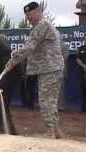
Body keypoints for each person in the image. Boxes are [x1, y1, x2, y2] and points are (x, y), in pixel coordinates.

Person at [6, 2, 65, 138]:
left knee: (46, 101)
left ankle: (50, 132)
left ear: (39, 11)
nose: (28, 18)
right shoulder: (42, 26)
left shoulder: (42, 26)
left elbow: (29, 47)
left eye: (30, 15)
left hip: (49, 69)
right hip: (50, 68)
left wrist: (12, 61)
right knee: (50, 101)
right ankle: (56, 131)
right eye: (26, 16)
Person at [76, 35, 86, 112]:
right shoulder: (81, 48)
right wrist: (83, 66)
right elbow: (77, 58)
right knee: (83, 89)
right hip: (83, 72)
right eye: (85, 37)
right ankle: (84, 108)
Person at [58, 39, 69, 111]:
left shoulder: (64, 45)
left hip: (60, 69)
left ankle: (60, 106)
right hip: (50, 70)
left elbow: (65, 57)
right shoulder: (50, 46)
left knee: (60, 89)